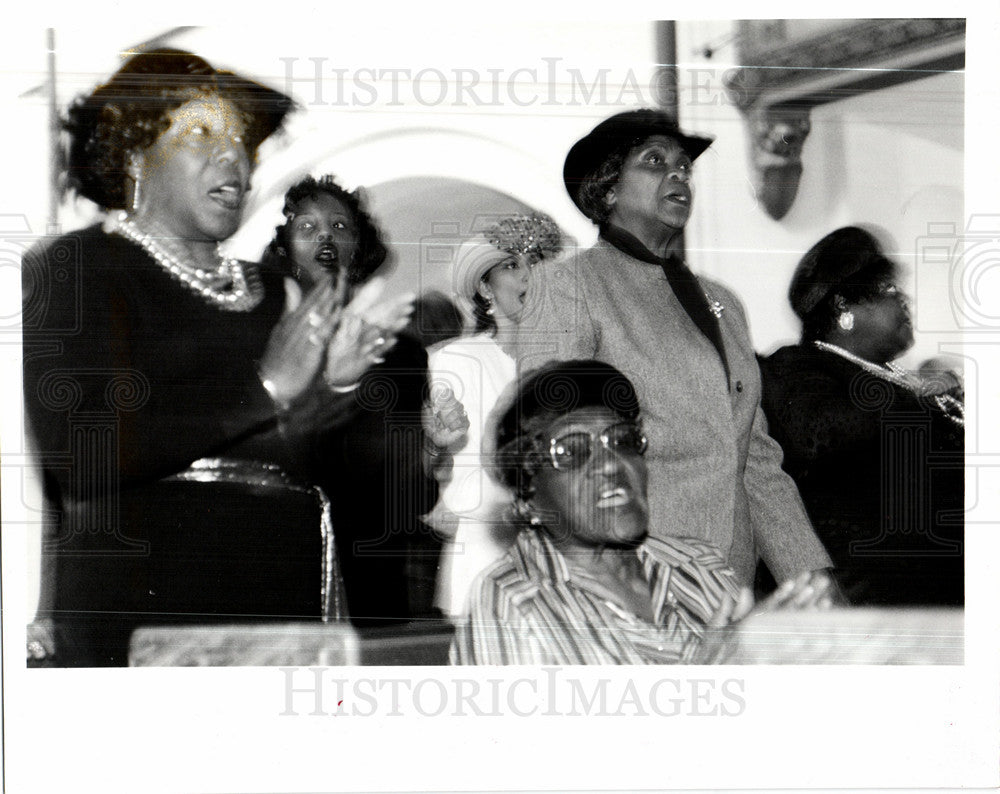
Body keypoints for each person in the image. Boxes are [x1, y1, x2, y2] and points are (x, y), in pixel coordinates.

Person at [22, 50, 409, 665]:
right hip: (142, 604)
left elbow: (320, 471)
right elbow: (82, 453)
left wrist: (334, 391)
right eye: (202, 132)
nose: (234, 156)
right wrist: (266, 389)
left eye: (243, 142)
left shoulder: (272, 291)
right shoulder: (79, 265)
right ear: (135, 156)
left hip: (279, 597)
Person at [516, 108, 831, 591]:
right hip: (631, 577)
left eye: (684, 165)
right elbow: (552, 447)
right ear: (607, 190)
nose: (678, 174)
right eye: (654, 161)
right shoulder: (568, 286)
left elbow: (755, 459)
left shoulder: (721, 302)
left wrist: (809, 577)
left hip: (728, 581)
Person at [451, 360, 834, 665]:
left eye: (623, 440)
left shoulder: (696, 564)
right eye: (571, 452)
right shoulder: (509, 602)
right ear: (528, 498)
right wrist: (709, 688)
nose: (612, 463)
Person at [261, 174, 467, 622]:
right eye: (308, 228)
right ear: (285, 248)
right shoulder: (264, 342)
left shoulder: (403, 354)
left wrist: (431, 446)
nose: (326, 238)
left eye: (340, 228)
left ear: (359, 248)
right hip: (281, 566)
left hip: (370, 577)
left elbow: (410, 501)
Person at [759, 226, 964, 605]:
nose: (905, 301)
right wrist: (921, 395)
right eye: (889, 290)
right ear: (843, 306)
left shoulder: (897, 376)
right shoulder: (798, 367)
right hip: (875, 603)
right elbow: (817, 434)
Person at [427, 213, 566, 616]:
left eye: (537, 263)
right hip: (487, 546)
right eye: (511, 265)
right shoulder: (458, 358)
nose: (528, 276)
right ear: (486, 288)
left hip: (562, 547)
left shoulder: (569, 363)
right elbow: (454, 474)